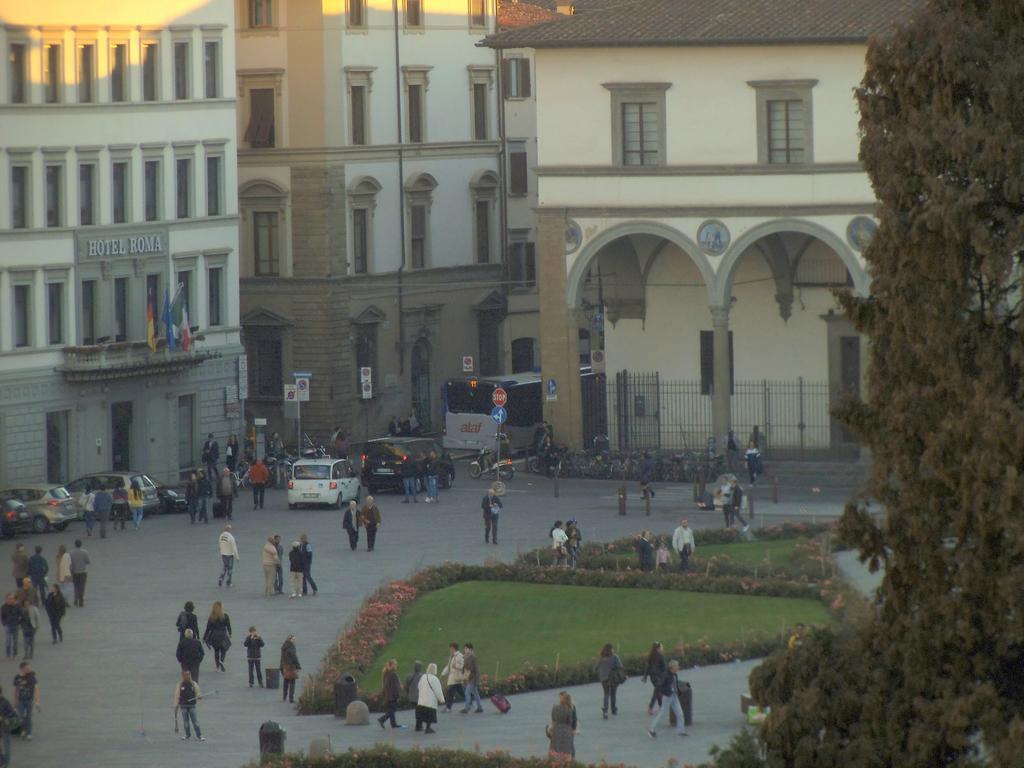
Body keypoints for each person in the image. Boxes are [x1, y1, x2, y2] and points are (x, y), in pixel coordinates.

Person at [647, 659, 687, 738]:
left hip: (674, 696)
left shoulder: (675, 674)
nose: (678, 667)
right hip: (667, 697)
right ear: (673, 667)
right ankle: (651, 730)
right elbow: (660, 686)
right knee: (661, 714)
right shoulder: (665, 675)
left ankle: (680, 731)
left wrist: (679, 689)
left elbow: (675, 684)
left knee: (680, 714)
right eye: (677, 666)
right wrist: (667, 691)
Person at [594, 643, 624, 719]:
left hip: (603, 679)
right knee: (613, 694)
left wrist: (600, 672)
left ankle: (605, 711)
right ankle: (613, 710)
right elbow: (620, 666)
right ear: (611, 650)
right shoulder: (615, 657)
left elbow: (595, 668)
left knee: (606, 694)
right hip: (613, 678)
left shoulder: (601, 658)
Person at [173, 670, 204, 741]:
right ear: (183, 676)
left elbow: (198, 692)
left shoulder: (193, 684)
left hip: (192, 706)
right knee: (186, 722)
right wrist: (176, 705)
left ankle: (199, 735)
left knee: (195, 722)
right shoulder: (180, 685)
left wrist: (199, 696)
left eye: (188, 674)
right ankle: (187, 735)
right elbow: (177, 696)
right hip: (183, 706)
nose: (187, 676)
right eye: (186, 675)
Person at [203, 601, 232, 672]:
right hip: (222, 634)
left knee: (216, 651)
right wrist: (230, 633)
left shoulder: (211, 617)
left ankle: (217, 667)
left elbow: (208, 629)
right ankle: (221, 661)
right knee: (224, 649)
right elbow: (228, 626)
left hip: (214, 635)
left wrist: (204, 638)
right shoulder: (225, 616)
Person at [415, 662, 445, 734]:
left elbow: (418, 686)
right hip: (430, 701)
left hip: (422, 700)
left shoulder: (423, 677)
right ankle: (428, 728)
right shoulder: (435, 679)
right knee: (430, 715)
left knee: (421, 714)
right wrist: (442, 699)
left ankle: (418, 727)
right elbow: (438, 690)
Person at [12, 662, 38, 741]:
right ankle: (23, 730)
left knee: (29, 717)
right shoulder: (17, 677)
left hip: (29, 700)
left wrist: (37, 701)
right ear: (22, 669)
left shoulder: (32, 676)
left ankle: (29, 733)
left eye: (29, 668)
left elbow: (36, 689)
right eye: (27, 668)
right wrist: (14, 701)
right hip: (20, 700)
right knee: (21, 717)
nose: (29, 669)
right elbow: (15, 690)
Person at [548, 690, 578, 758]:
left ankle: (561, 759)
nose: (560, 698)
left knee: (558, 747)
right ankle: (571, 759)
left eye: (561, 697)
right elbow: (573, 719)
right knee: (569, 746)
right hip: (567, 730)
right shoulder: (571, 707)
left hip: (559, 729)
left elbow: (553, 719)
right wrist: (573, 729)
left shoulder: (556, 707)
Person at [377, 659, 403, 729]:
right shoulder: (392, 674)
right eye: (395, 664)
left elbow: (386, 685)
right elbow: (395, 687)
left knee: (391, 710)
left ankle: (393, 724)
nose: (396, 666)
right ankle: (382, 719)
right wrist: (398, 694)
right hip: (392, 696)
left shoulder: (386, 673)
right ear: (392, 665)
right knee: (392, 710)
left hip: (388, 695)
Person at [642, 642, 667, 715]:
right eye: (661, 647)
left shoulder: (651, 656)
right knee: (656, 693)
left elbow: (648, 667)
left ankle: (661, 706)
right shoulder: (660, 656)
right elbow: (665, 667)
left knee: (658, 691)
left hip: (652, 677)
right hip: (659, 677)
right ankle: (650, 707)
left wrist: (645, 677)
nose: (662, 648)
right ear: (658, 648)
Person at [441, 642, 465, 712]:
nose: (450, 650)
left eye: (451, 648)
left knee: (450, 693)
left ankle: (448, 708)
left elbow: (463, 666)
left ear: (454, 648)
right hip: (453, 678)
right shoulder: (452, 656)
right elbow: (448, 666)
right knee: (461, 692)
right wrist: (443, 673)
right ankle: (470, 701)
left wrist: (456, 666)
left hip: (456, 677)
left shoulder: (459, 656)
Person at [460, 643, 483, 713]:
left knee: (467, 693)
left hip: (473, 677)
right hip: (471, 677)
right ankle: (479, 707)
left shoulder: (472, 657)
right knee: (475, 693)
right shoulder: (467, 657)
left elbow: (471, 668)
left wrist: (465, 670)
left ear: (470, 649)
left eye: (466, 648)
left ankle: (467, 708)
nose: (464, 650)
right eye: (464, 648)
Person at [0, 685, 19, 766]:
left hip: (5, 727)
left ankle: (6, 763)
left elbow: (13, 715)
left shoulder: (5, 702)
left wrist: (3, 718)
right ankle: (2, 761)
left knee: (6, 746)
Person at [280, 635, 301, 703]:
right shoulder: (291, 647)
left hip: (285, 666)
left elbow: (282, 658)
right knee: (292, 682)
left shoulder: (284, 647)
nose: (294, 641)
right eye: (293, 639)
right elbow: (294, 657)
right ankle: (291, 698)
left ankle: (284, 697)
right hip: (291, 667)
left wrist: (281, 667)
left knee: (286, 681)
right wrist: (298, 666)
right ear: (290, 639)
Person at [69, 540, 90, 607]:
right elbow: (88, 561)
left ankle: (75, 599)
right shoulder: (85, 552)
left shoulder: (71, 553)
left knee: (76, 586)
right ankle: (81, 600)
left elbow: (70, 562)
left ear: (75, 544)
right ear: (81, 544)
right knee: (82, 587)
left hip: (74, 572)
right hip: (83, 572)